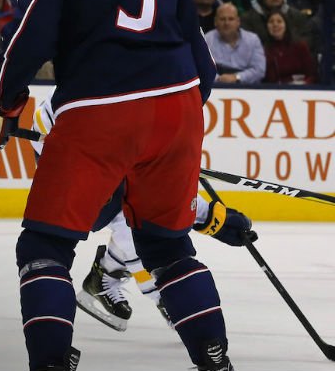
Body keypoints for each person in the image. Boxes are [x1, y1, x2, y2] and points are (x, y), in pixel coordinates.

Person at [0, 0, 231, 370]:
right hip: (181, 108)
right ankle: (215, 360)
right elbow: (205, 68)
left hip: (99, 110)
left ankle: (50, 362)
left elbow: (29, 35)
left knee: (45, 246)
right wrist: (166, 129)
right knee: (168, 247)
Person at [28, 91, 257, 333]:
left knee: (143, 213)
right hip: (75, 162)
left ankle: (106, 273)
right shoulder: (74, 119)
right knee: (133, 224)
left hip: (109, 148)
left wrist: (214, 218)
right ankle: (149, 290)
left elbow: (164, 192)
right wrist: (164, 295)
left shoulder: (144, 109)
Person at [204, 3, 266, 84]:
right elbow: (202, 68)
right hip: (215, 87)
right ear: (215, 22)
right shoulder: (207, 39)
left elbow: (259, 70)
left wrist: (237, 77)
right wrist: (219, 79)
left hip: (247, 88)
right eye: (222, 19)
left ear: (238, 22)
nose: (226, 23)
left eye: (231, 19)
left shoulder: (253, 40)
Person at [261, 9, 316, 84]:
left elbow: (311, 75)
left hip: (300, 90)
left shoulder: (300, 46)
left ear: (286, 25)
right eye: (271, 22)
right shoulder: (263, 49)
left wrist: (303, 84)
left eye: (279, 21)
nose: (275, 25)